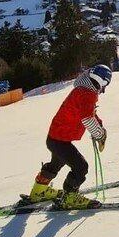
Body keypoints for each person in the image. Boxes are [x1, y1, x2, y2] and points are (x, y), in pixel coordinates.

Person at [28, 64, 111, 209]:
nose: (103, 90)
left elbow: (89, 113)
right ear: (102, 82)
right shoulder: (87, 94)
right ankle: (70, 197)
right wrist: (99, 134)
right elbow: (87, 119)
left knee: (56, 163)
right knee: (81, 167)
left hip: (56, 138)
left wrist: (100, 127)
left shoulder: (82, 90)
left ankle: (39, 191)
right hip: (60, 140)